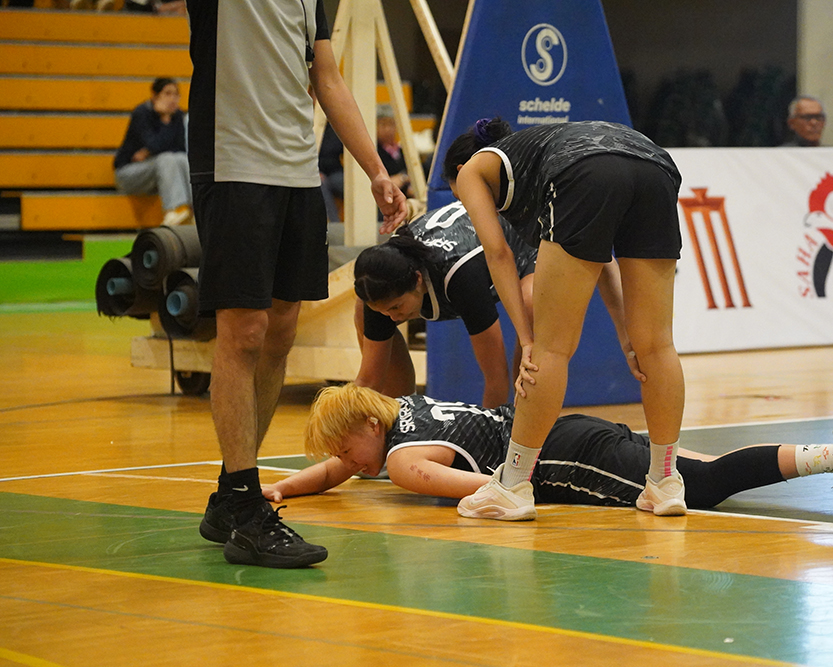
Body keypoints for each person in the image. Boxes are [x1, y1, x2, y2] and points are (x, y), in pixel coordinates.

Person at [188, 0, 408, 569]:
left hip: (297, 173)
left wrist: (376, 170)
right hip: (233, 166)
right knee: (243, 332)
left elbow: (326, 77)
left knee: (281, 332)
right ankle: (246, 506)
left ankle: (230, 495)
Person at [441, 118, 685, 521]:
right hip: (655, 165)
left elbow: (497, 254)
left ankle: (512, 486)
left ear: (458, 171)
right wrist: (626, 335)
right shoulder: (538, 152)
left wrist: (527, 338)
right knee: (657, 345)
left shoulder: (472, 171)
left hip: (586, 171)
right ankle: (664, 482)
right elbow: (600, 259)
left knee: (552, 349)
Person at [263, 384, 833, 516]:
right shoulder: (406, 409)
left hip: (561, 461)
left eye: (344, 446)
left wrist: (486, 506)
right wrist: (287, 486)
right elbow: (339, 468)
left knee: (701, 489)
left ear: (364, 423)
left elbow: (496, 490)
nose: (348, 461)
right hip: (567, 430)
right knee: (700, 470)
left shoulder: (404, 462)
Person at [354, 201, 537, 408]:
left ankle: (524, 417)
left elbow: (496, 377)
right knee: (363, 310)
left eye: (396, 307)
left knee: (532, 304)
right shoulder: (381, 277)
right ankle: (402, 414)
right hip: (463, 251)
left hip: (526, 240)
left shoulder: (462, 277)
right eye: (384, 311)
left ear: (417, 279)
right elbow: (368, 381)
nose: (393, 317)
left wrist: (488, 427)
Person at [113, 77, 192, 226]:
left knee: (182, 159)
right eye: (167, 94)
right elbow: (154, 144)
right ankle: (174, 209)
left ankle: (195, 211)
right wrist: (165, 120)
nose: (173, 99)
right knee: (167, 159)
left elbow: (180, 148)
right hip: (129, 174)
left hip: (156, 171)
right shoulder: (142, 113)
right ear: (155, 96)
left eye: (176, 94)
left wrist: (148, 152)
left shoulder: (178, 116)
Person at [318, 124, 345, 223]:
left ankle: (373, 220)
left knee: (353, 184)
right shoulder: (311, 128)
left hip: (335, 171)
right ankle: (333, 224)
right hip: (316, 172)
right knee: (319, 184)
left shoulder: (335, 128)